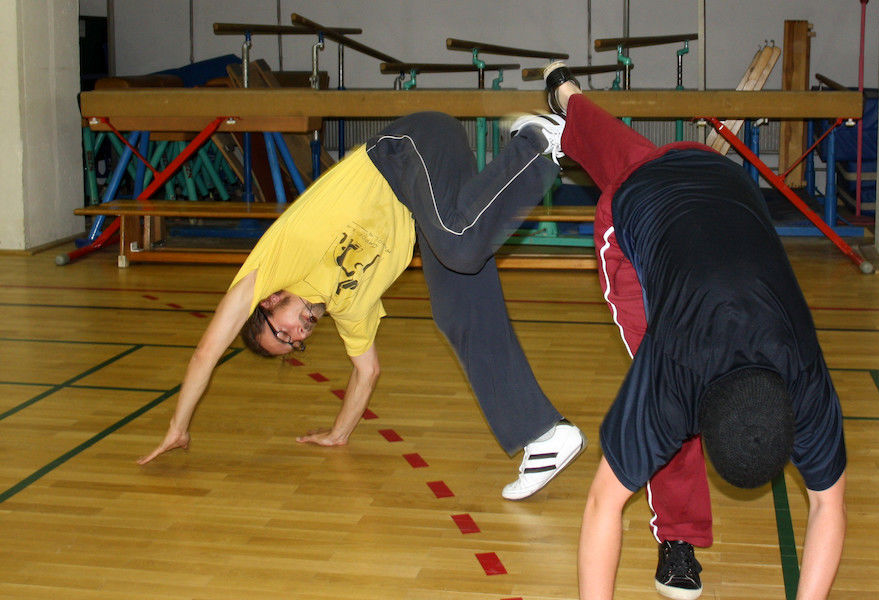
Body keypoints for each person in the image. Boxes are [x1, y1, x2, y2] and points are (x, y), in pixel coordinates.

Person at [538, 63, 847, 600]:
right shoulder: (671, 374)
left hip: (721, 183)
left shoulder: (804, 375)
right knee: (625, 167)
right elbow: (603, 503)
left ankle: (567, 99)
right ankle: (678, 534)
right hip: (643, 211)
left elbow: (828, 503)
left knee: (621, 147)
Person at [137, 110, 586, 501]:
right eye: (293, 345)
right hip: (426, 196)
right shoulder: (349, 307)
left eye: (282, 331)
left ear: (270, 300)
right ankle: (544, 434)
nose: (297, 336)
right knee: (455, 308)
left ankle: (536, 141)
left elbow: (205, 353)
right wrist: (339, 433)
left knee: (459, 245)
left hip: (405, 150)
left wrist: (178, 425)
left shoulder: (277, 261)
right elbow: (366, 372)